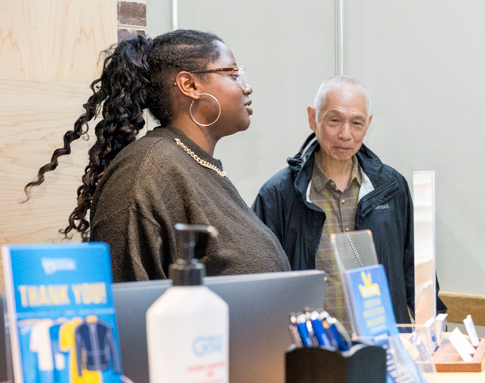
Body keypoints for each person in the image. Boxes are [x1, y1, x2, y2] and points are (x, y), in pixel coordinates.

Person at [24, 30, 289, 281]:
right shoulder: (147, 170)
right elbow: (128, 301)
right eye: (233, 74)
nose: (247, 87)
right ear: (190, 85)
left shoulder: (192, 163)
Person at [252, 76, 444, 328]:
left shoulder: (391, 187)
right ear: (313, 118)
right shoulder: (279, 194)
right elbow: (263, 283)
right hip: (314, 349)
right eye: (334, 120)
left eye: (356, 123)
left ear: (368, 125)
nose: (345, 134)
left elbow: (414, 269)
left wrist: (433, 330)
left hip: (382, 342)